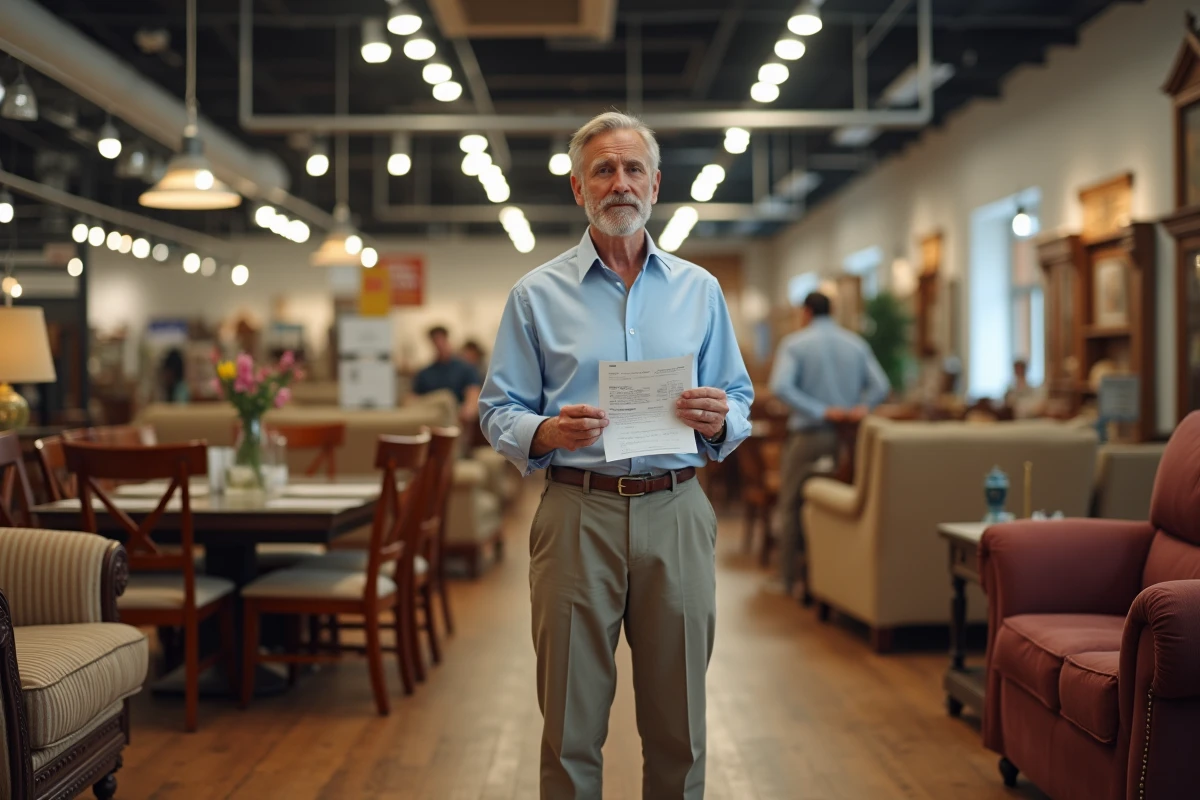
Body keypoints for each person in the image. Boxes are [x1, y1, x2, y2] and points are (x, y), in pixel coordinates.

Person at [479, 111, 753, 800]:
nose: (620, 182)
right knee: (570, 727)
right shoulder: (534, 296)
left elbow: (740, 398)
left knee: (679, 725)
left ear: (656, 185)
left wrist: (723, 416)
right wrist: (547, 433)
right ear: (579, 189)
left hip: (679, 509)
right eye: (603, 169)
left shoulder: (701, 291)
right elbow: (496, 410)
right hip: (577, 512)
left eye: (633, 169)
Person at [768, 291, 890, 597]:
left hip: (810, 436)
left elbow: (780, 386)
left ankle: (786, 580)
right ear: (832, 311)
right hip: (849, 441)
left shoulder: (795, 344)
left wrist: (821, 410)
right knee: (839, 508)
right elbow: (881, 386)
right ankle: (836, 582)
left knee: (792, 503)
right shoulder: (856, 343)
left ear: (806, 312)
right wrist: (861, 409)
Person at [412, 325, 482, 423]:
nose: (439, 344)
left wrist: (468, 411)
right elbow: (413, 398)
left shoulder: (465, 369)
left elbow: (473, 393)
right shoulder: (424, 373)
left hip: (456, 419)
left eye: (441, 340)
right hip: (431, 419)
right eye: (436, 341)